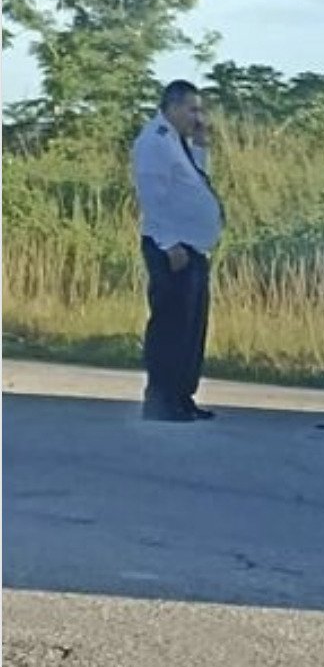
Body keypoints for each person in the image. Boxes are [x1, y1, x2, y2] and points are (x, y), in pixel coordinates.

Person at [131, 80, 224, 422]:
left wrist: (200, 145)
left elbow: (194, 181)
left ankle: (182, 396)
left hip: (193, 247)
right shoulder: (154, 142)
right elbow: (152, 195)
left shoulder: (177, 142)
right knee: (171, 325)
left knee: (191, 327)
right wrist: (169, 242)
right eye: (192, 109)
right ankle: (161, 400)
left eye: (200, 109)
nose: (197, 117)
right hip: (172, 247)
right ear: (172, 107)